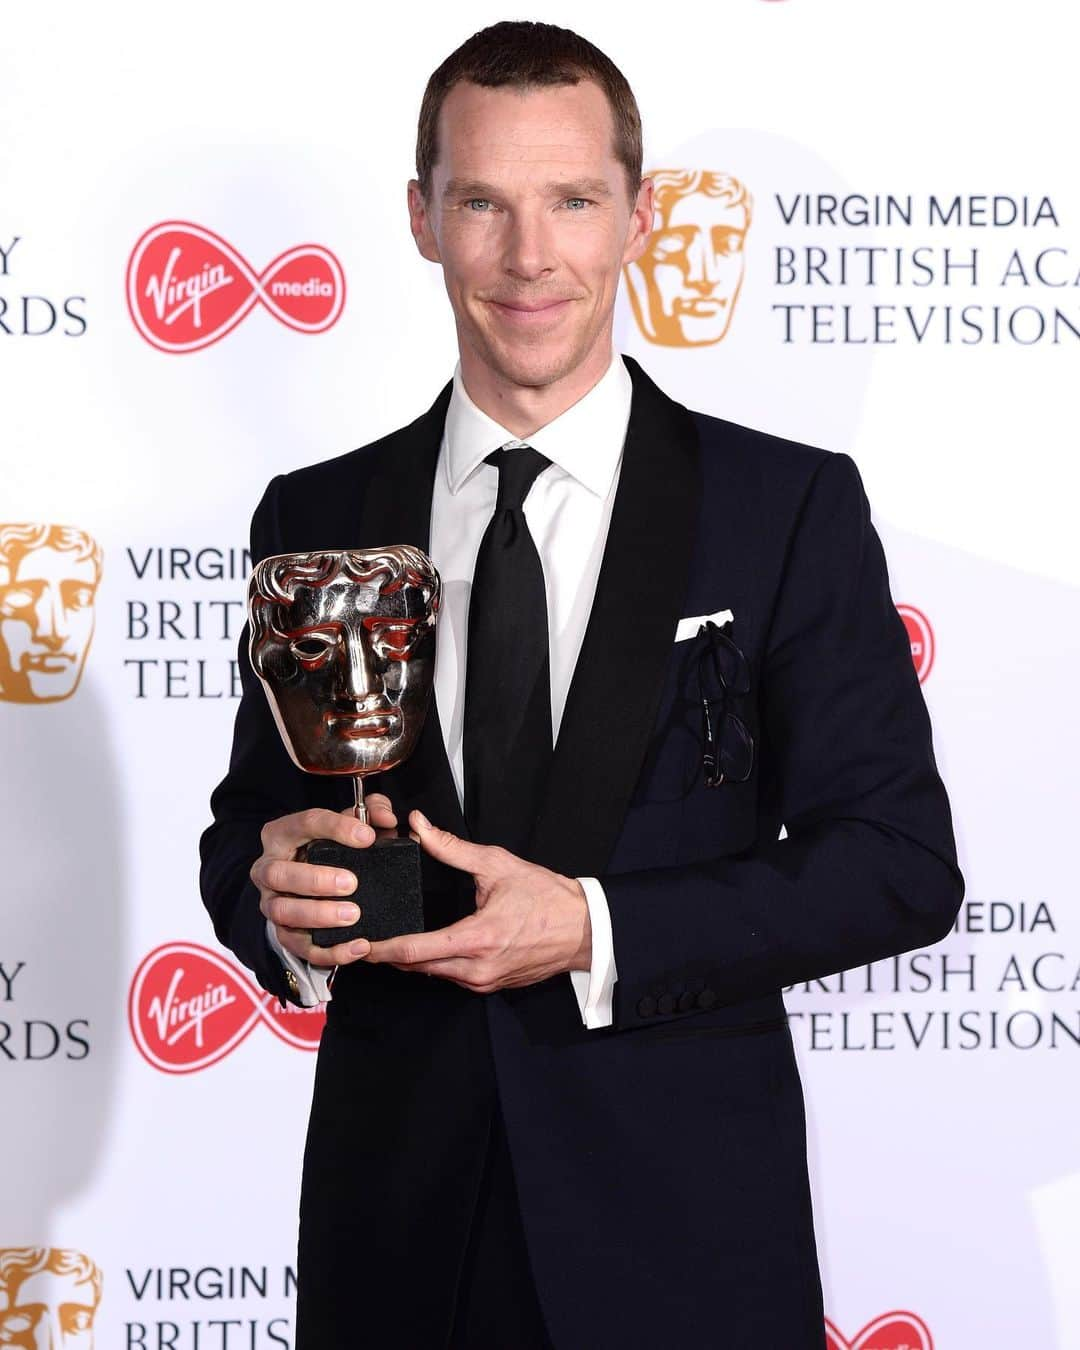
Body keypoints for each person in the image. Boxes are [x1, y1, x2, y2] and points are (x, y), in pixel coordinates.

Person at [200, 20, 962, 1349]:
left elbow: (897, 862)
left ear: (639, 216)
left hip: (682, 1246)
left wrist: (595, 929)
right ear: (423, 218)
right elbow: (251, 827)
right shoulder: (316, 512)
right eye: (483, 201)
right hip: (397, 1246)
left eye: (571, 201)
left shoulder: (781, 509)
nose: (528, 254)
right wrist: (281, 896)